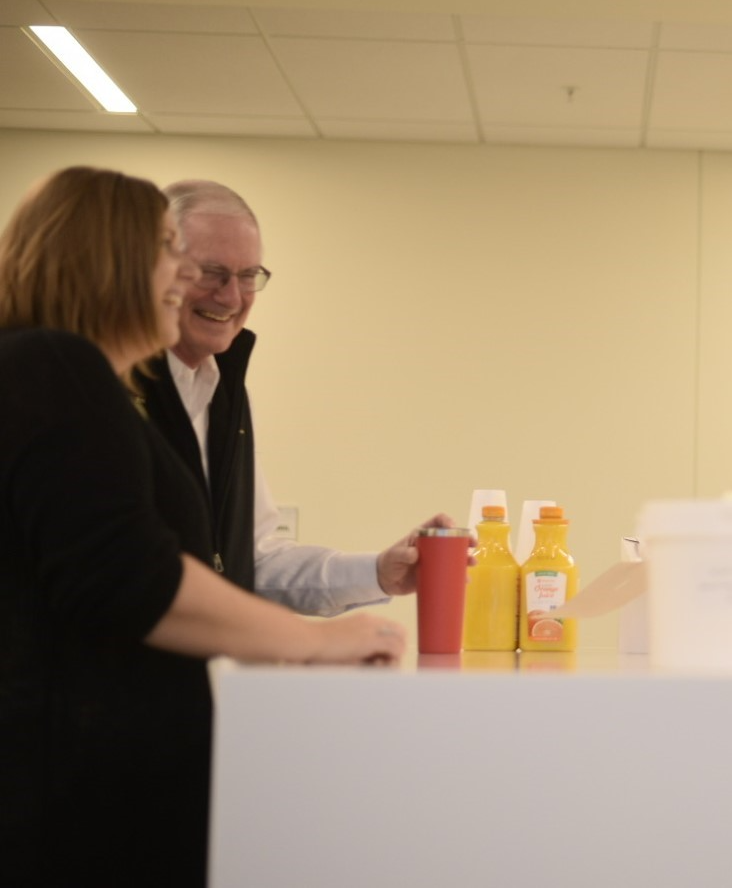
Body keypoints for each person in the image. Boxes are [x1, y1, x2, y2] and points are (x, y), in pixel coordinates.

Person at [0, 166, 438, 885]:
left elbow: (236, 556)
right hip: (71, 777)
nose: (193, 283)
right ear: (111, 260)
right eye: (175, 254)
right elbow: (134, 578)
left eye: (245, 275)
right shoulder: (61, 369)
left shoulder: (73, 375)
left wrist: (367, 579)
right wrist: (316, 642)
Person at [142, 179, 419, 615]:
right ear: (154, 270)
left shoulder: (227, 393)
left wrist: (379, 573)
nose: (232, 296)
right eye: (212, 273)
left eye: (248, 276)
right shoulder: (112, 391)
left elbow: (252, 563)